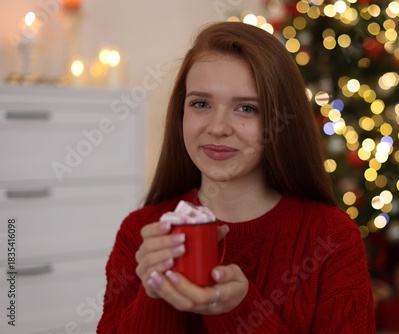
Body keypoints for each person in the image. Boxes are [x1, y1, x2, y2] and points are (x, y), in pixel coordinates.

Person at [97, 21, 375, 333]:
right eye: (201, 104)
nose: (217, 127)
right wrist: (156, 295)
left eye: (246, 108)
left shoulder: (332, 237)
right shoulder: (139, 232)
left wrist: (240, 312)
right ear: (181, 113)